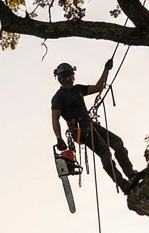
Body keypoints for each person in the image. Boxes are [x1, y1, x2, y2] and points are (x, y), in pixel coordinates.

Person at [51, 60, 139, 191]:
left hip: (90, 124)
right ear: (61, 79)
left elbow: (98, 88)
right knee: (105, 152)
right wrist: (59, 138)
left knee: (117, 142)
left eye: (71, 76)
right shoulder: (59, 97)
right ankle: (123, 184)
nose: (70, 79)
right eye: (67, 77)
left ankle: (131, 175)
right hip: (81, 130)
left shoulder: (78, 89)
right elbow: (55, 119)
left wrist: (106, 69)